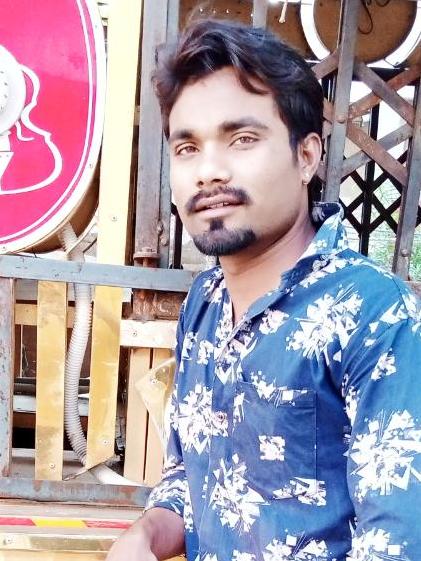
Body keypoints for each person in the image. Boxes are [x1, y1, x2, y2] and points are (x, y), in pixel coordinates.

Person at [107, 19, 421, 561]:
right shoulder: (205, 303)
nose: (208, 172)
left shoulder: (374, 315)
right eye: (187, 148)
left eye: (242, 139)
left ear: (306, 157)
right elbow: (191, 479)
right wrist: (144, 536)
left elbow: (397, 544)